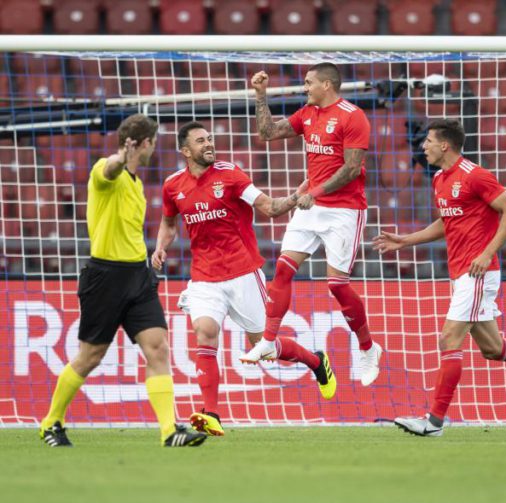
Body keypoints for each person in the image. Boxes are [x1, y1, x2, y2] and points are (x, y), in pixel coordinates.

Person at [373, 119, 506, 437]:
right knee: (492, 347)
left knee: (449, 339)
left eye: (429, 141)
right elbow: (446, 223)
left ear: (444, 145)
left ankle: (434, 422)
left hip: (477, 273)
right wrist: (406, 240)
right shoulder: (438, 179)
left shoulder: (475, 175)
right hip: (461, 273)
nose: (424, 147)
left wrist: (487, 252)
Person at [152, 121, 336, 437]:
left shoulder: (231, 174)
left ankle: (315, 361)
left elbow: (269, 207)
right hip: (204, 277)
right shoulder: (173, 185)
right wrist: (160, 247)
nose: (209, 144)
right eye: (200, 141)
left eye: (210, 138)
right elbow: (169, 223)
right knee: (205, 332)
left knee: (262, 345)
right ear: (185, 150)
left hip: (242, 273)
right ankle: (212, 415)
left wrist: (294, 197)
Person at [39, 114, 205, 448]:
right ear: (143, 144)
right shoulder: (106, 172)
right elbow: (108, 170)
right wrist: (119, 157)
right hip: (105, 278)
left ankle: (169, 431)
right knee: (90, 356)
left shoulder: (136, 182)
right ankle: (50, 422)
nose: (154, 149)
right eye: (153, 143)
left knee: (158, 347)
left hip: (137, 277)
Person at [242, 62, 382, 386]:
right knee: (282, 269)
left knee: (336, 284)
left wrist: (315, 191)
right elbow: (267, 133)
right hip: (311, 205)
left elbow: (351, 169)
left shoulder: (353, 116)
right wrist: (260, 96)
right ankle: (267, 339)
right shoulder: (307, 113)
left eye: (309, 83)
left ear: (327, 85)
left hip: (344, 210)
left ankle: (367, 348)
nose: (305, 88)